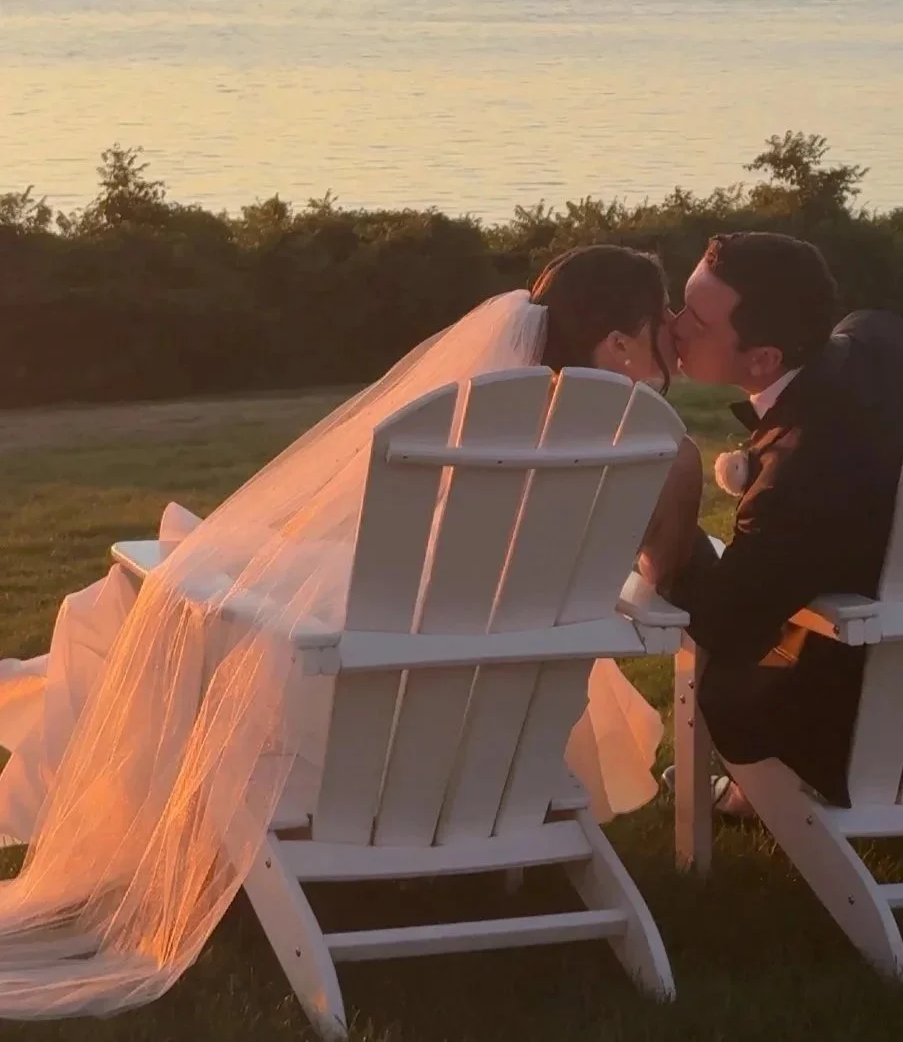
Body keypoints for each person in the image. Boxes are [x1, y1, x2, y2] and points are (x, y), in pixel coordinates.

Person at [0, 247, 698, 1021]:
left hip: (378, 732)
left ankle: (124, 847)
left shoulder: (469, 436)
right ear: (620, 342)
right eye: (659, 324)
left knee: (161, 607)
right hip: (508, 737)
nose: (672, 338)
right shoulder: (660, 454)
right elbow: (658, 581)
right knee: (187, 605)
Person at [659, 231, 903, 810]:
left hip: (867, 712)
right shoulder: (880, 334)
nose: (673, 325)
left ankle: (763, 790)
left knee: (729, 681)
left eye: (695, 319)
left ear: (765, 359)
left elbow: (724, 625)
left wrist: (671, 515)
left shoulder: (795, 480)